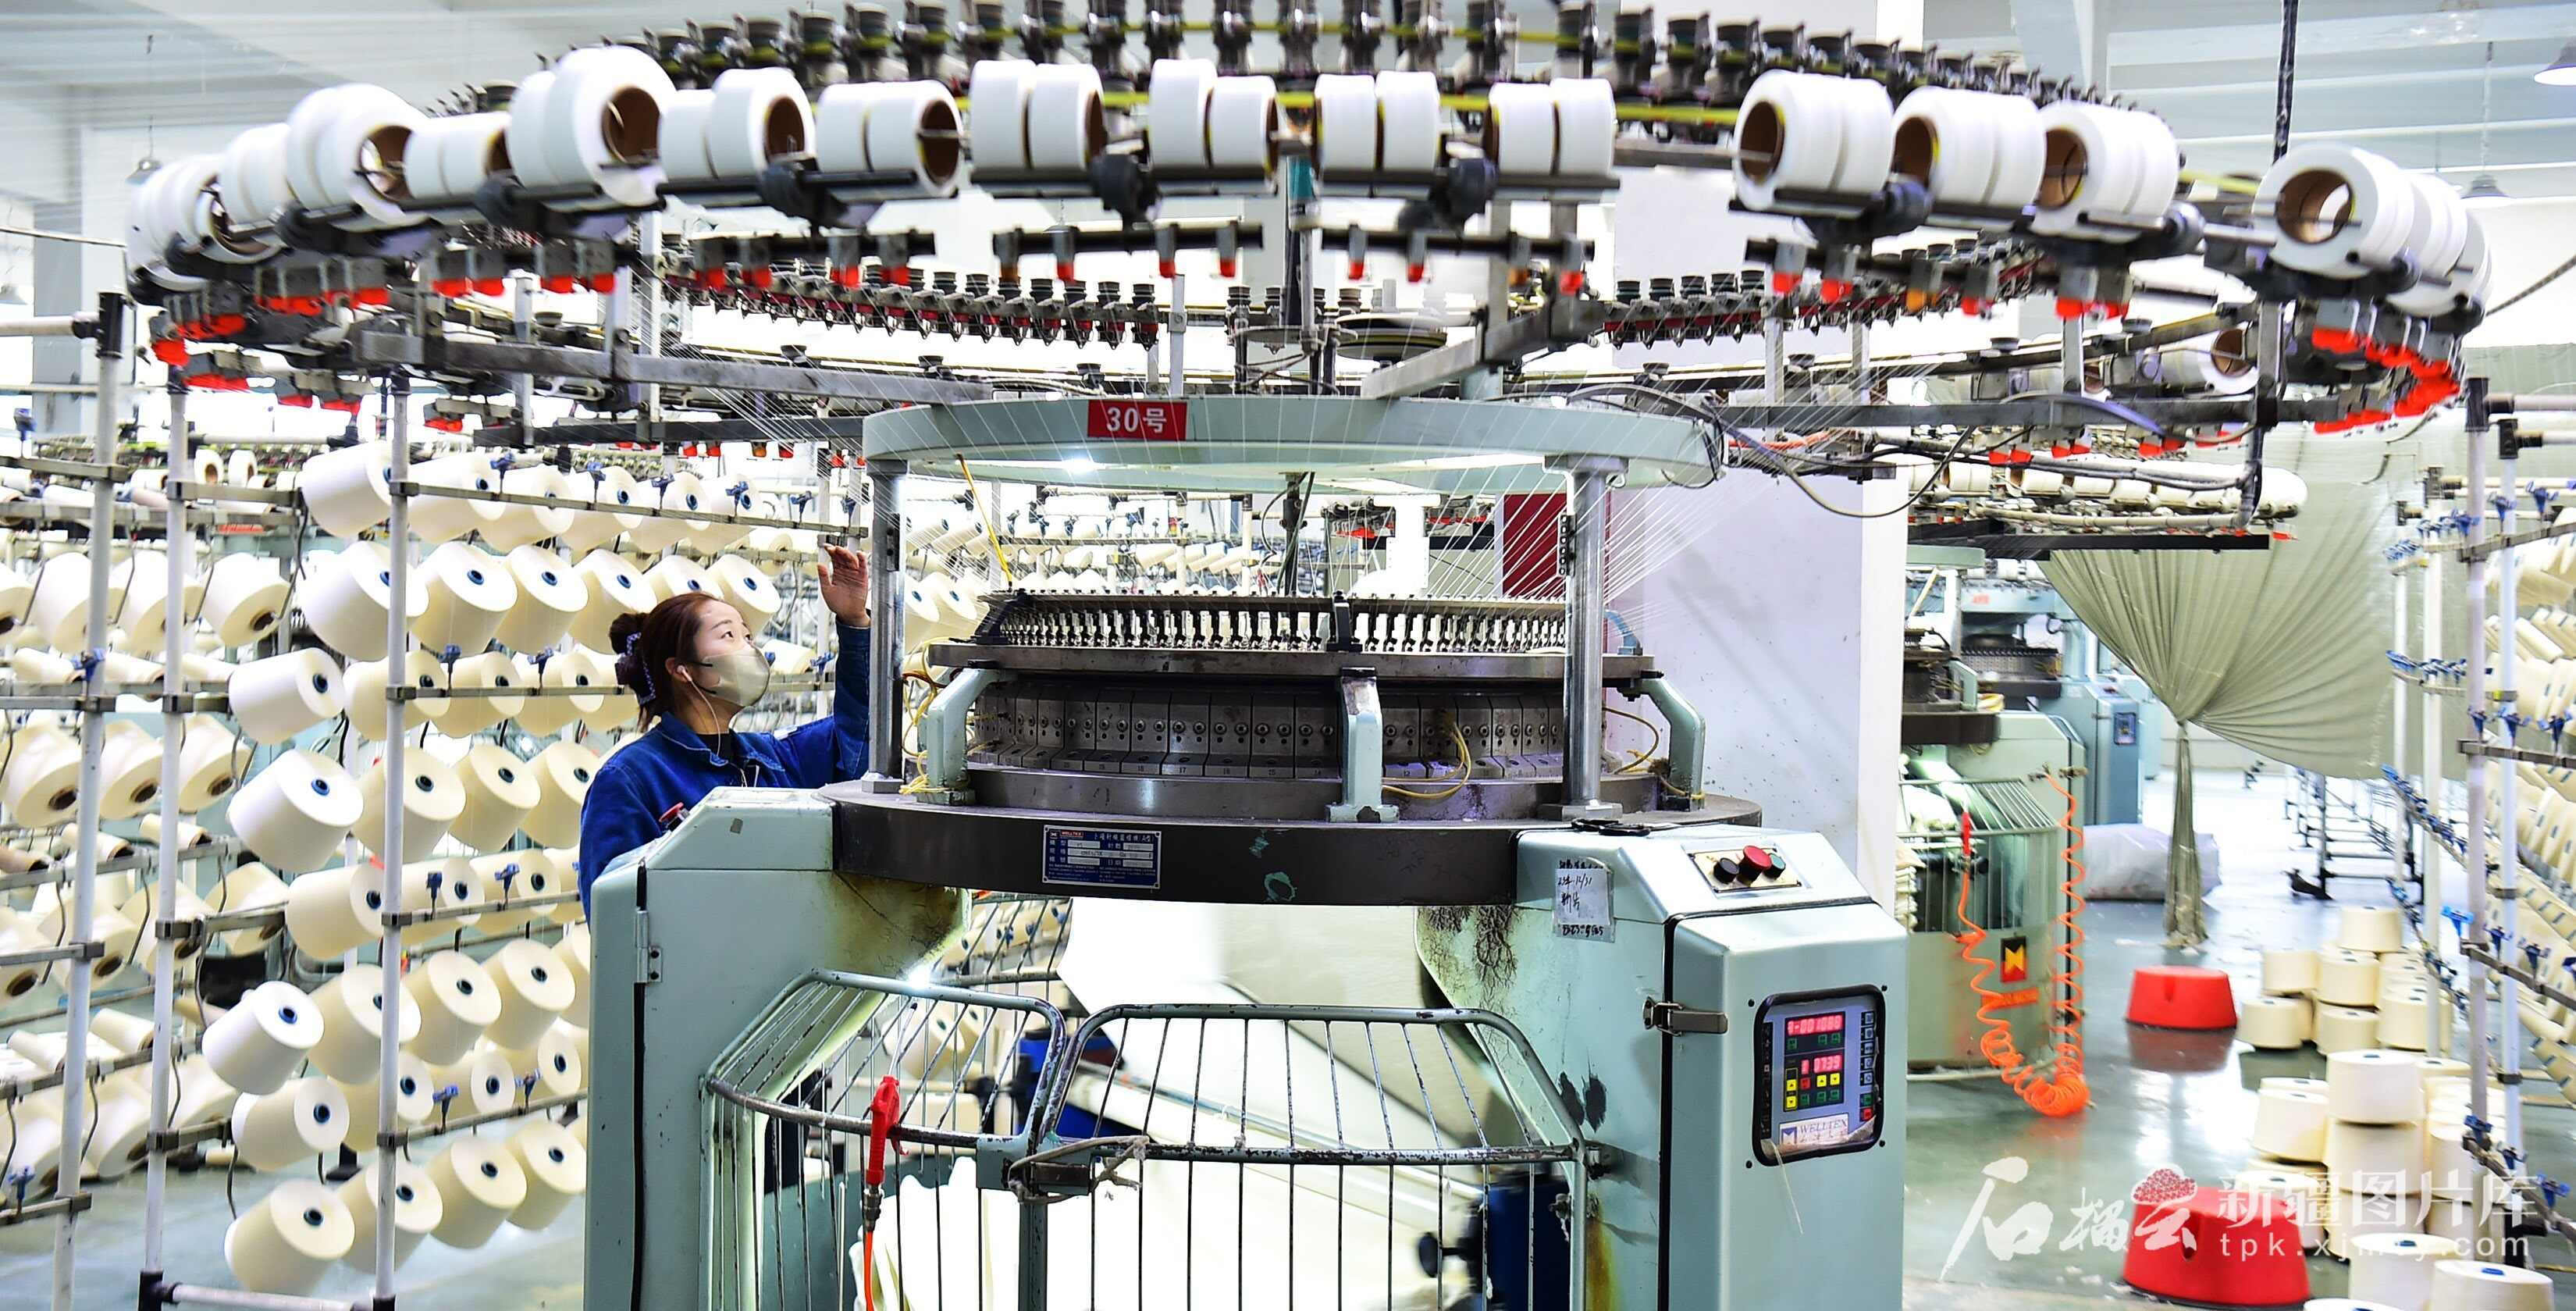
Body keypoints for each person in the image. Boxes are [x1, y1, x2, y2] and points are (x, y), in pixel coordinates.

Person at [576, 543, 873, 909]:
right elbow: (613, 913)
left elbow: (857, 737)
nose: (750, 650)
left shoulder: (773, 760)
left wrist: (855, 622)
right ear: (682, 669)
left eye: (747, 636)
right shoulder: (631, 779)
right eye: (728, 635)